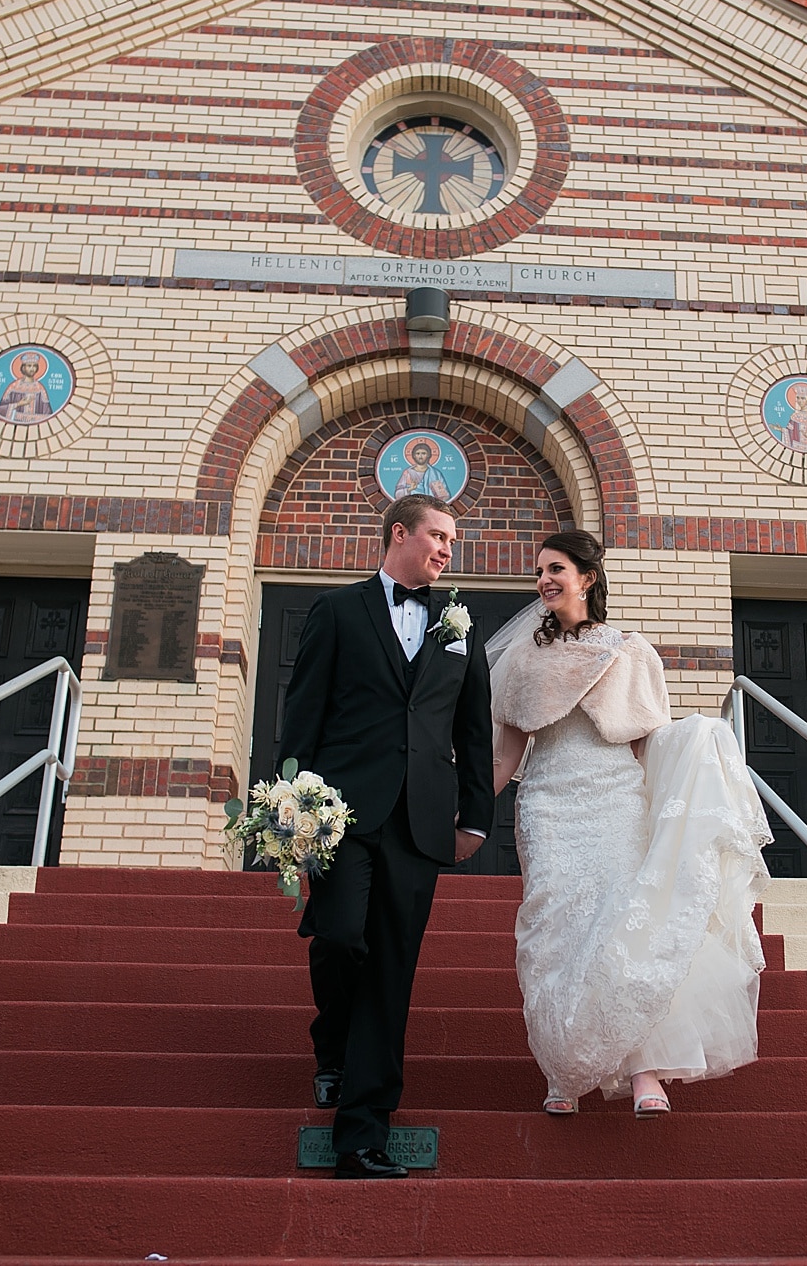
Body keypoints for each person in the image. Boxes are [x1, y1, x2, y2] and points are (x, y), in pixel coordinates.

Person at [489, 530, 772, 1117]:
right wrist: (463, 815)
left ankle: (645, 1071)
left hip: (616, 798)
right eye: (540, 571)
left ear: (587, 578)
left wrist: (699, 746)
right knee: (553, 931)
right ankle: (563, 1068)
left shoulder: (632, 651)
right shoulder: (522, 659)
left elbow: (651, 742)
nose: (544, 580)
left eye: (557, 569)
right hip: (548, 802)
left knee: (623, 927)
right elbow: (506, 752)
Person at [278, 493, 493, 1178]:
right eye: (437, 536)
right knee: (340, 935)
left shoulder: (457, 627)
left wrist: (475, 814)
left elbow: (472, 730)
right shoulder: (337, 612)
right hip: (340, 812)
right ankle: (332, 1045)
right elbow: (303, 713)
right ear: (399, 533)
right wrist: (290, 811)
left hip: (420, 820)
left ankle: (363, 1131)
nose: (446, 550)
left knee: (392, 971)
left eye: (452, 541)